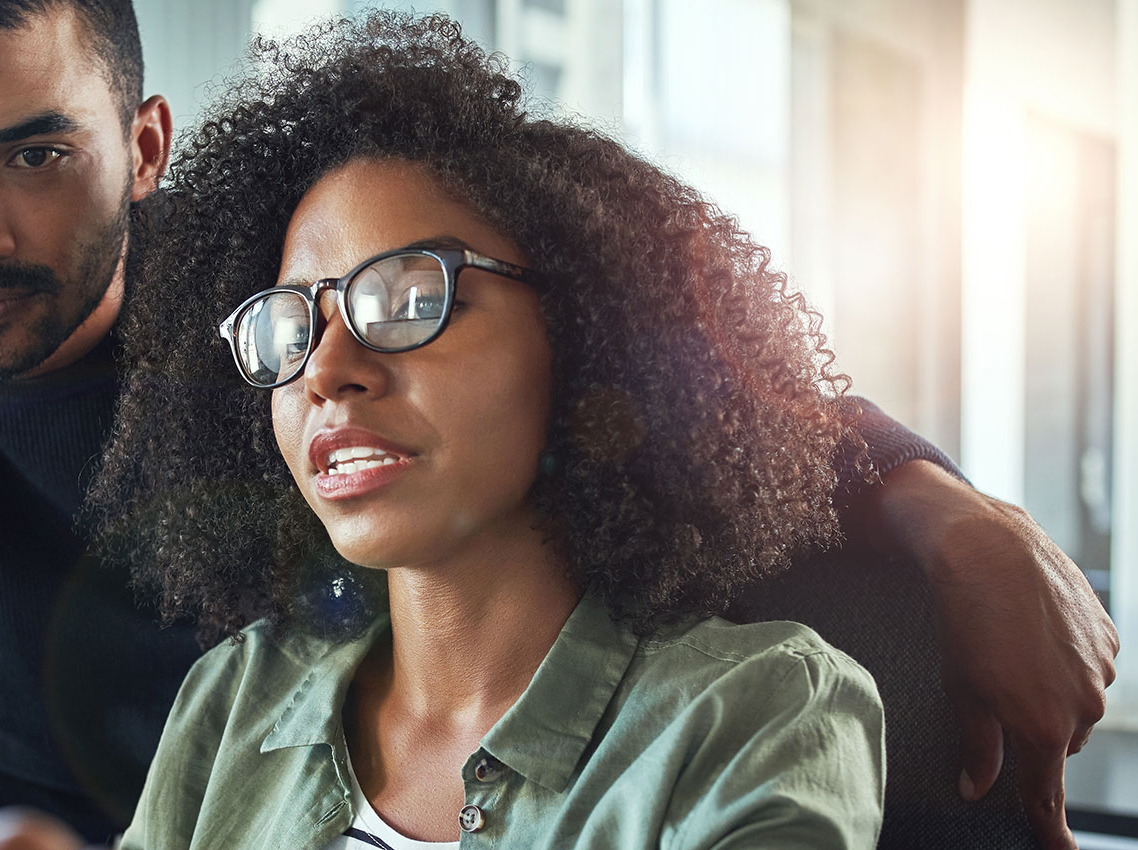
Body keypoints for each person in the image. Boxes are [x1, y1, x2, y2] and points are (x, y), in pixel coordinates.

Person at [0, 0, 1114, 846]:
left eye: (33, 151)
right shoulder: (237, 693)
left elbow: (711, 367)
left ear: (141, 148)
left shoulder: (745, 716)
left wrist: (945, 505)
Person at [98, 15, 884, 847]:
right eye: (291, 327)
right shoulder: (233, 701)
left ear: (584, 331)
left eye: (405, 300)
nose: (324, 370)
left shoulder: (753, 713)